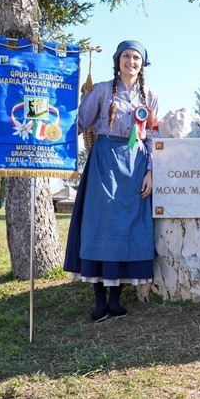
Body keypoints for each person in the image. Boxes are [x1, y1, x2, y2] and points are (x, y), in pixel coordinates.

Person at [64, 40, 158, 322]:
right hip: (104, 161)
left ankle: (115, 301)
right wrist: (50, 136)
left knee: (126, 229)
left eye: (136, 58)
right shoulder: (103, 90)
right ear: (118, 60)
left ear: (142, 64)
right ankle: (98, 301)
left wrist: (151, 172)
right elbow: (80, 120)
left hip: (135, 164)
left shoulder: (150, 96)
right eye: (126, 56)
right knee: (100, 226)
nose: (131, 61)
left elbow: (152, 138)